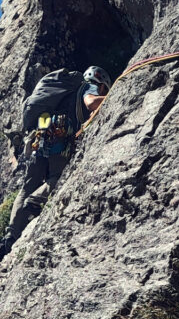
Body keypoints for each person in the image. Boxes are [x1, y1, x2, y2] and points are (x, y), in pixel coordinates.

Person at [7, 65, 112, 240]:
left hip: (39, 137)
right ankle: (37, 199)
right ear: (101, 84)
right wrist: (112, 96)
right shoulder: (88, 87)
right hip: (59, 138)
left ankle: (12, 232)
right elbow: (91, 102)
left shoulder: (63, 92)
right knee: (60, 176)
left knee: (27, 186)